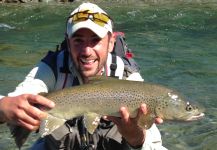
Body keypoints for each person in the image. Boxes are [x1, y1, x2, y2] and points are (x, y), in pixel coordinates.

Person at [0, 2, 167, 150]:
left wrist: (136, 137)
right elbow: (18, 99)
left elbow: (153, 144)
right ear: (68, 41)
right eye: (78, 40)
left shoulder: (128, 77)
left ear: (111, 43)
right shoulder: (51, 68)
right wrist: (3, 107)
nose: (87, 52)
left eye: (95, 40)